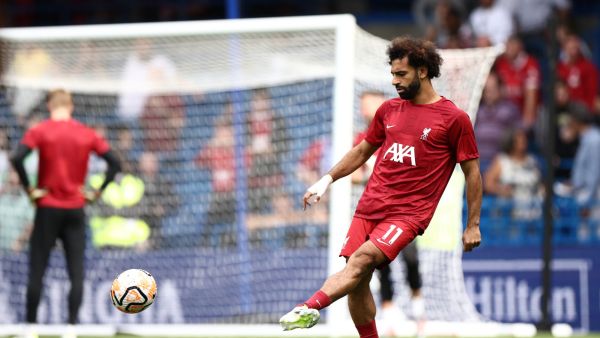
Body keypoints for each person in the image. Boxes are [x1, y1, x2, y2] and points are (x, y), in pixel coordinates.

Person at [279, 37, 482, 338]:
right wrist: (326, 180)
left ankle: (309, 307)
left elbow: (473, 172)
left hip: (407, 216)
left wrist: (473, 225)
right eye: (393, 74)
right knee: (356, 279)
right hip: (369, 207)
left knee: (361, 261)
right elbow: (362, 151)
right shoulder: (388, 110)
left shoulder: (454, 119)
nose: (394, 81)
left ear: (423, 71)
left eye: (401, 74)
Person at [9, 89, 121, 337]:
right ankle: (71, 328)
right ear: (70, 106)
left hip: (47, 207)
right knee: (76, 271)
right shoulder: (85, 133)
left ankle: (30, 329)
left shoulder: (41, 130)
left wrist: (30, 189)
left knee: (37, 268)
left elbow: (17, 157)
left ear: (50, 105)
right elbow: (115, 163)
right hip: (75, 209)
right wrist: (97, 192)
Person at [351, 91, 426, 336]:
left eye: (369, 103)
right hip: (378, 211)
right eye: (362, 104)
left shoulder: (399, 132)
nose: (364, 109)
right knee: (382, 263)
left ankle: (418, 311)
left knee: (411, 258)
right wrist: (366, 174)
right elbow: (354, 176)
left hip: (404, 209)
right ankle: (390, 316)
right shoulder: (362, 139)